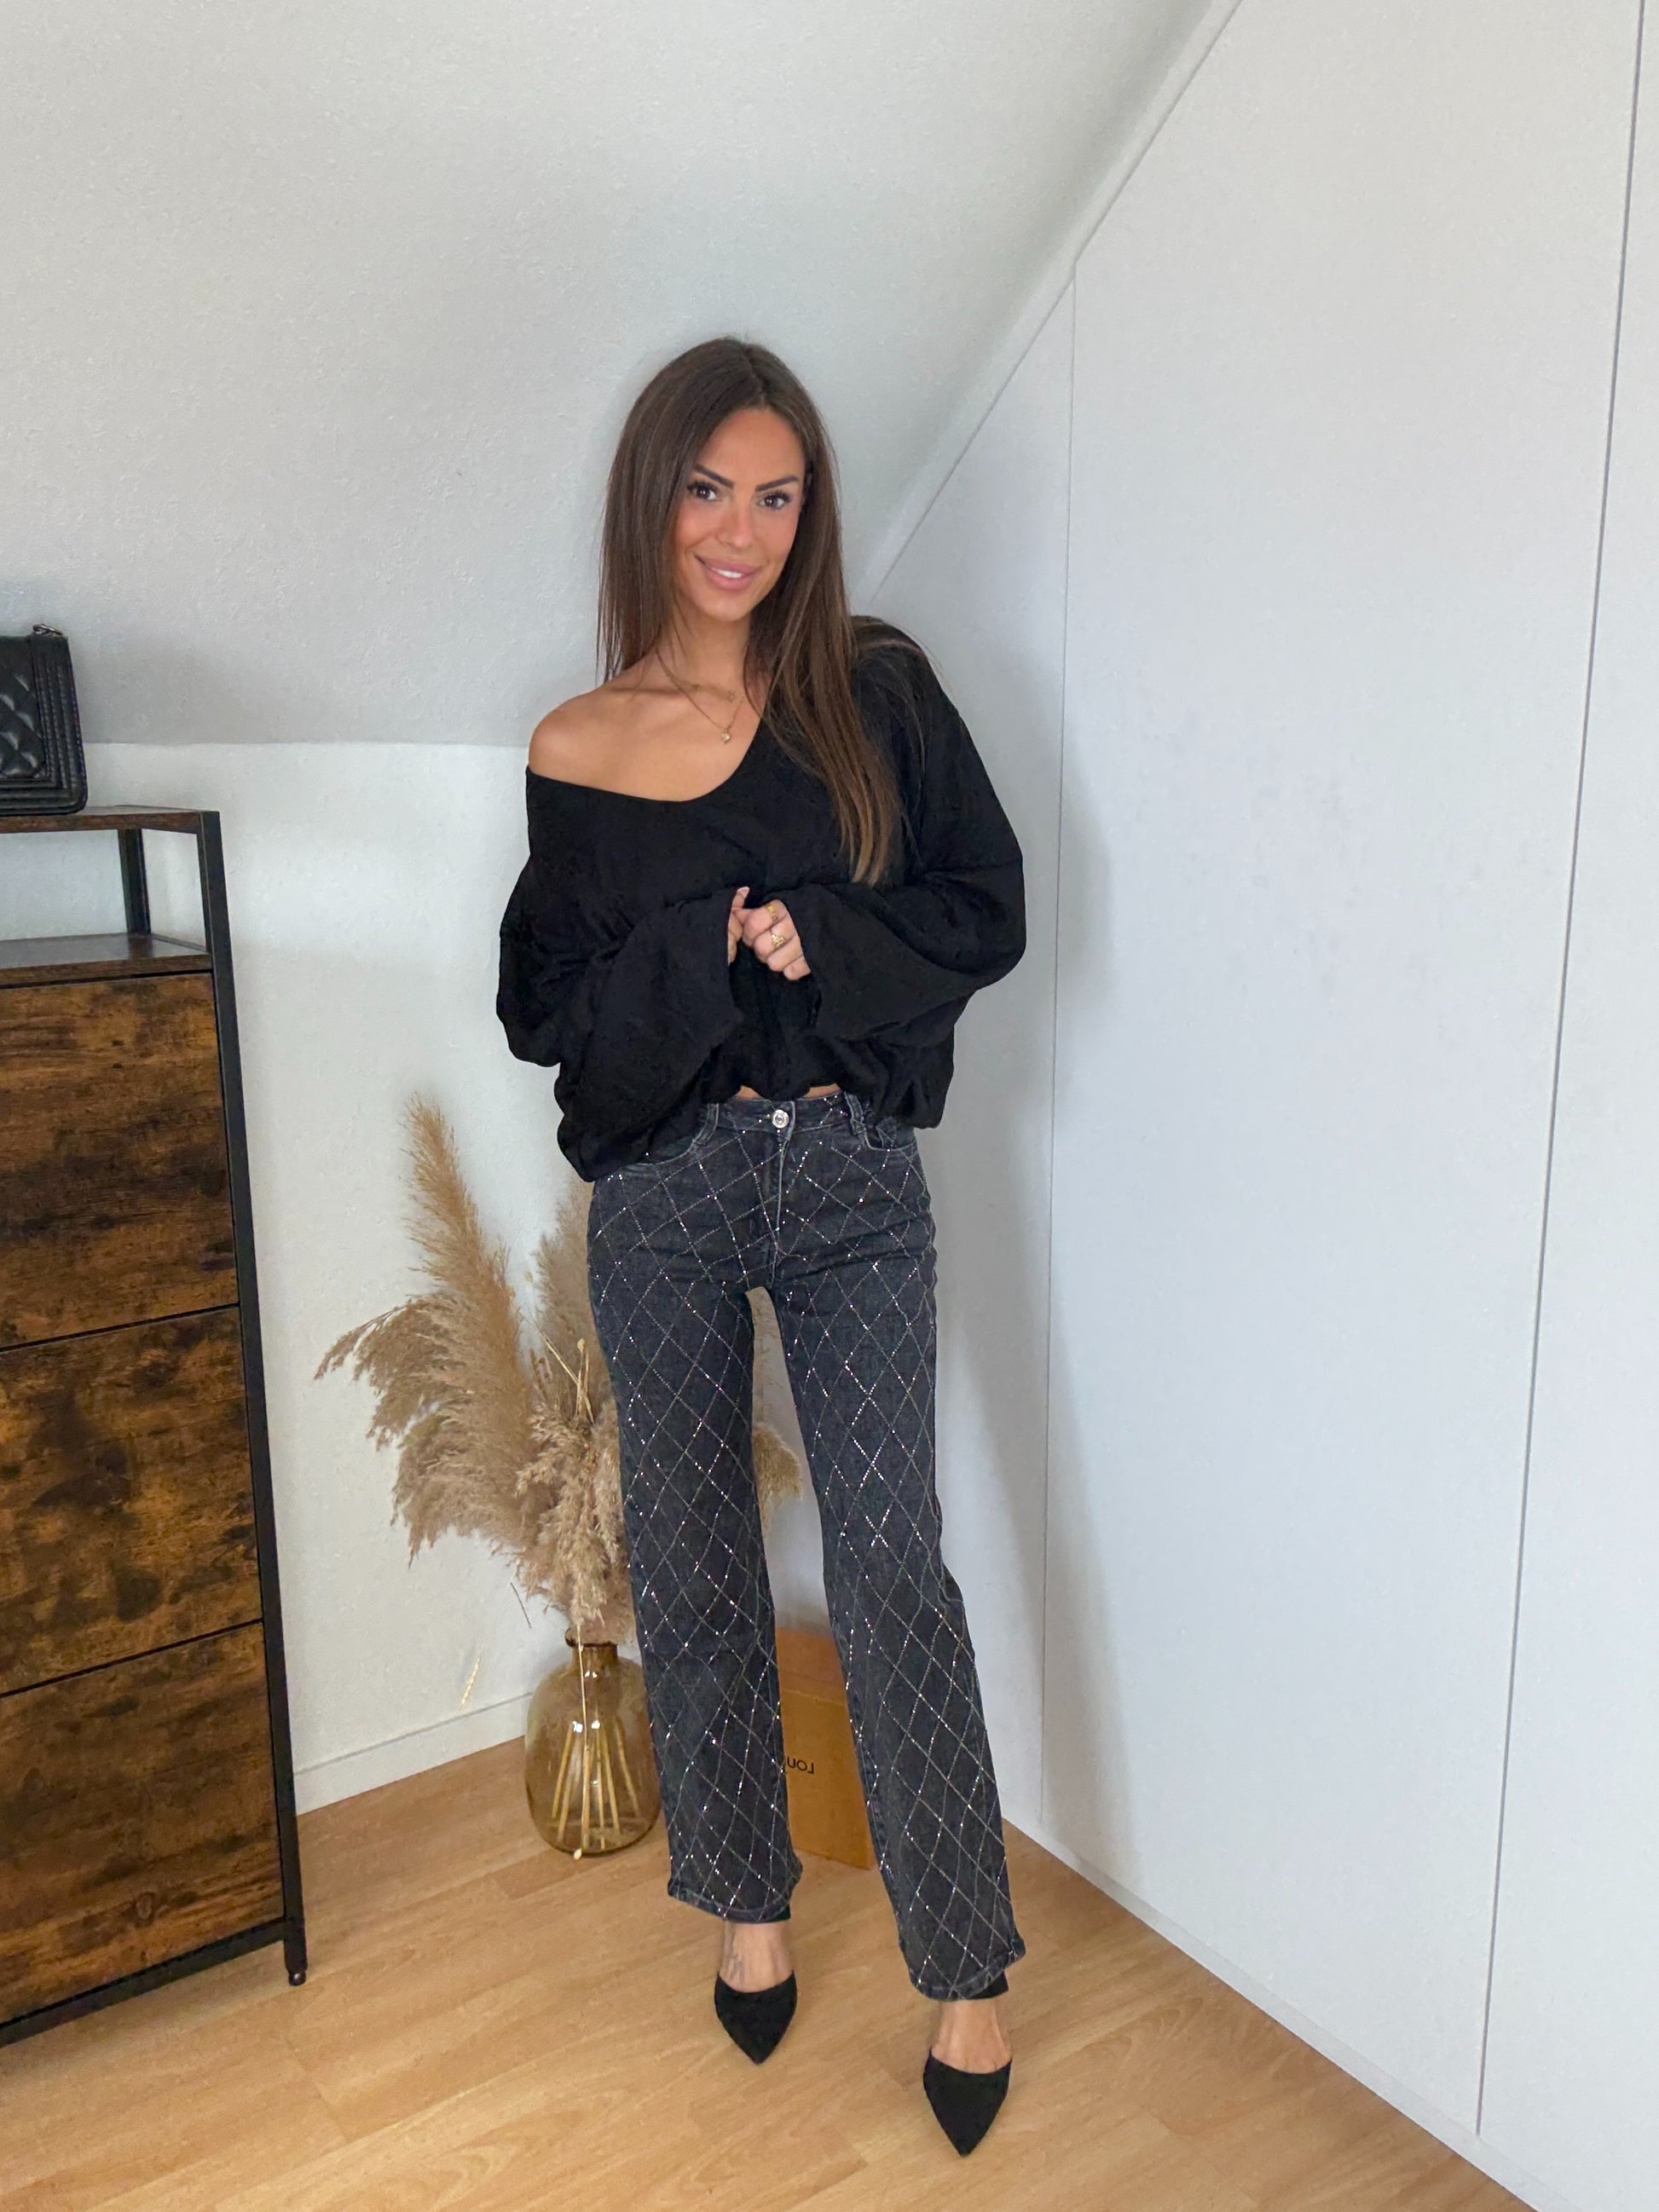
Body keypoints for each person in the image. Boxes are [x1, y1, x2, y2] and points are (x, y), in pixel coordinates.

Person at [496, 336, 1027, 2156]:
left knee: (890, 1570)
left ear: (813, 509)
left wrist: (827, 939)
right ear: (653, 499)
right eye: (709, 489)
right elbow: (548, 1010)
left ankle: (967, 1972)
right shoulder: (576, 747)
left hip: (854, 1178)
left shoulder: (876, 692)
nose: (741, 530)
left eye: (778, 494)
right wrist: (701, 951)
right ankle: (748, 1907)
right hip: (666, 1189)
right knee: (695, 1563)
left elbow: (984, 908)